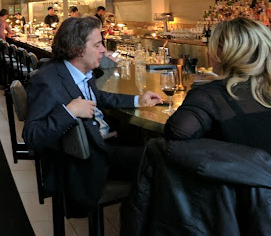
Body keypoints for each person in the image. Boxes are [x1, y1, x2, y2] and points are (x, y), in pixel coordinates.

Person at [22, 16, 162, 216]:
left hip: (101, 142)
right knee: (158, 159)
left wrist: (137, 100)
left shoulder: (80, 72)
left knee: (155, 147)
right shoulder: (47, 80)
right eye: (97, 45)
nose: (103, 50)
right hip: (87, 163)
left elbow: (99, 97)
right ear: (76, 49)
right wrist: (70, 111)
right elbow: (32, 136)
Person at [164, 18, 271, 153]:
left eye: (211, 47)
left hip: (233, 167)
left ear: (224, 53)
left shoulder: (211, 95)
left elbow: (177, 132)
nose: (208, 53)